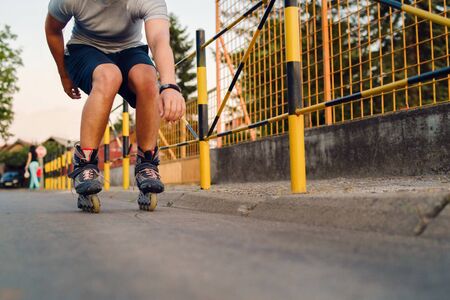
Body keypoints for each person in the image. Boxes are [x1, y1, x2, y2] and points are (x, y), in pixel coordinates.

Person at [45, 0, 186, 212]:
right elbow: (52, 30)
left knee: (148, 79)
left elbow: (158, 39)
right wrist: (63, 74)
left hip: (129, 49)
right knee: (109, 76)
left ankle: (147, 162)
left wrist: (169, 85)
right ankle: (86, 163)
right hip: (84, 48)